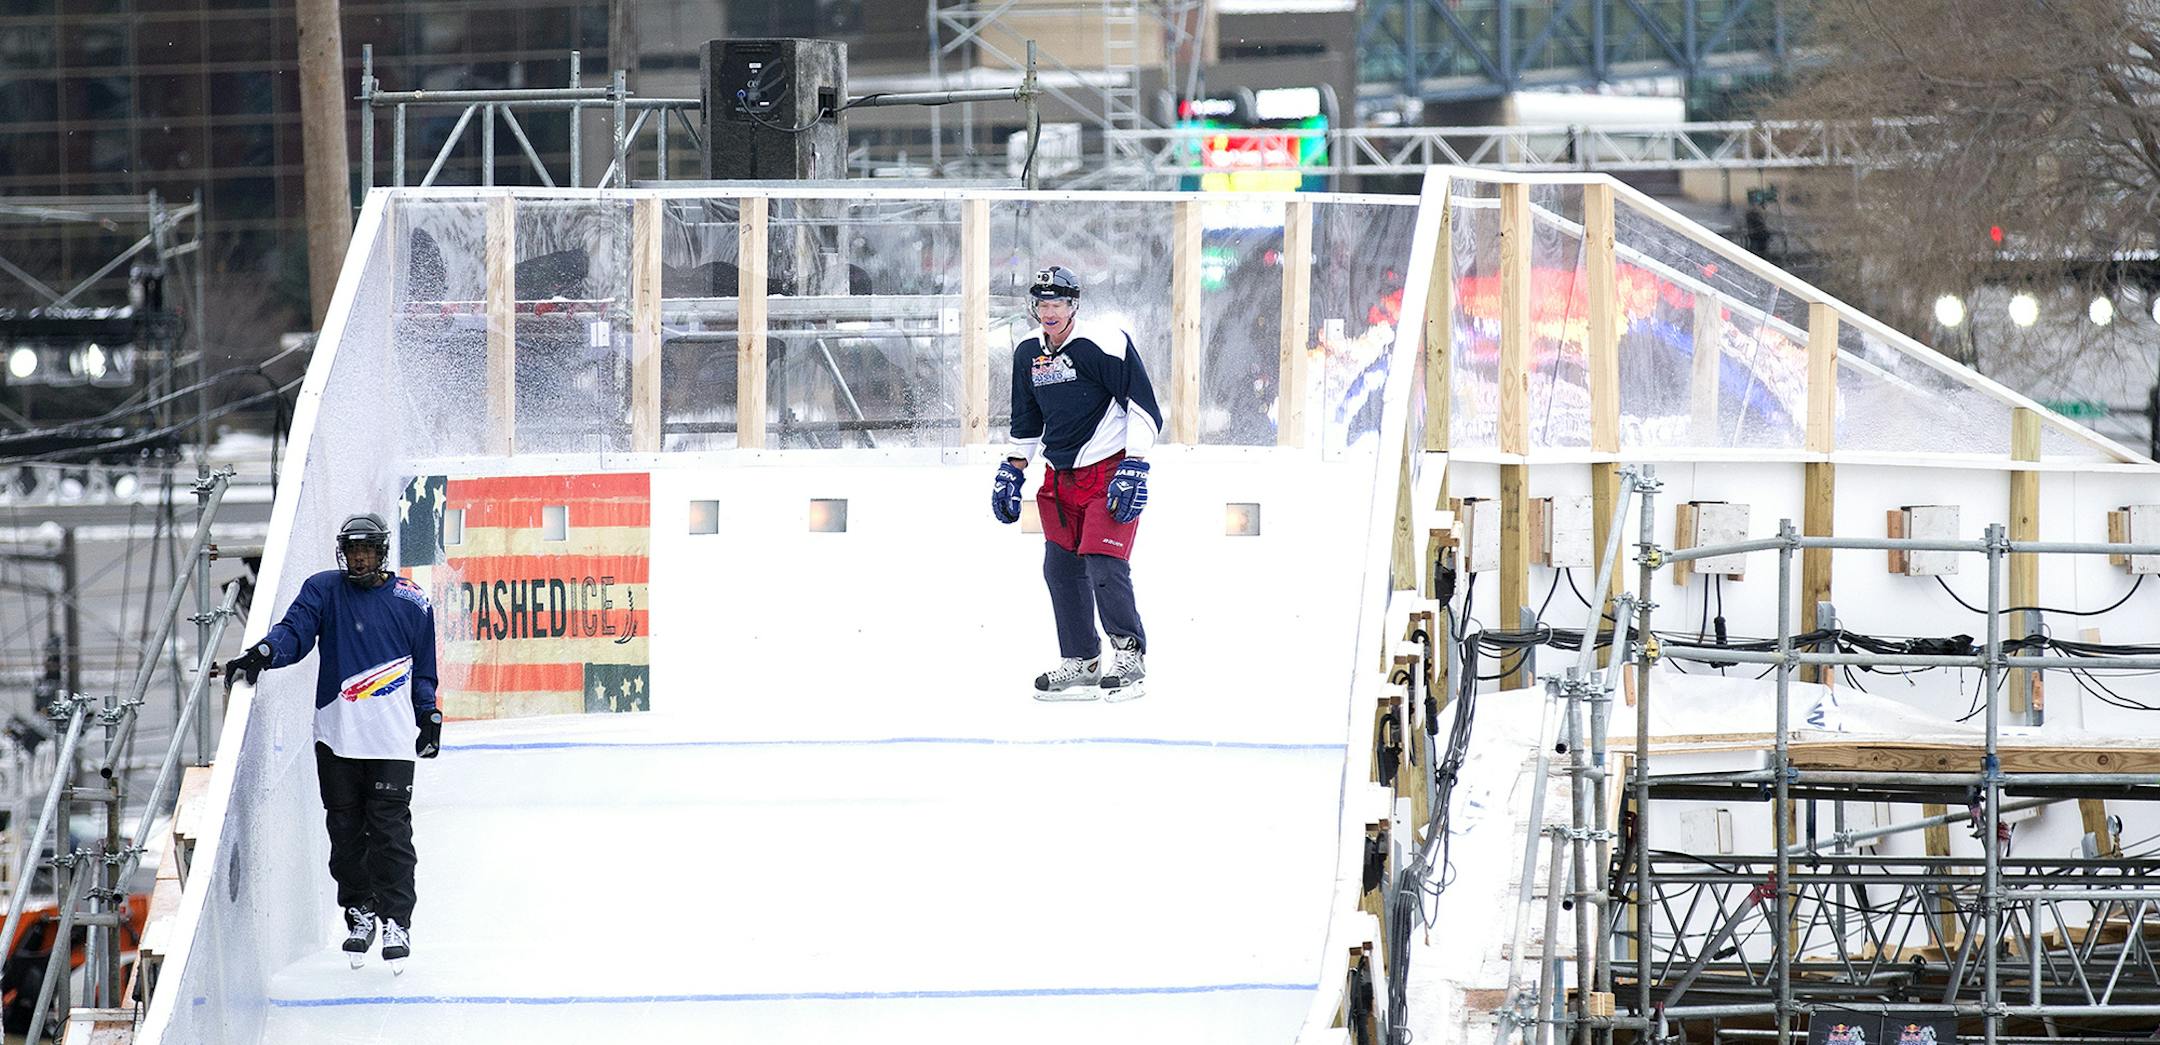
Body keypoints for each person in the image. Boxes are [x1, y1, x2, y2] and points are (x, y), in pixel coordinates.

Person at [224, 513, 441, 972]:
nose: (359, 558)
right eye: (352, 550)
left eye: (367, 550)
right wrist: (263, 654)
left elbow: (424, 670)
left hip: (391, 742)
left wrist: (430, 716)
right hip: (336, 737)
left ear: (382, 552)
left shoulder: (412, 600)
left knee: (390, 833)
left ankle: (397, 919)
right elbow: (295, 633)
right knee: (345, 833)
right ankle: (360, 913)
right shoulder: (324, 589)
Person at [992, 265, 1164, 702]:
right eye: (1042, 304)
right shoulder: (1028, 352)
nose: (1049, 312)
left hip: (1107, 470)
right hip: (1058, 476)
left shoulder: (1103, 343)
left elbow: (1143, 406)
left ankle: (1129, 656)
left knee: (1104, 564)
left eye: (1058, 304)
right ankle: (1081, 663)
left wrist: (1136, 464)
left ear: (1074, 306)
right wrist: (1013, 468)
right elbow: (1026, 419)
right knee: (1060, 567)